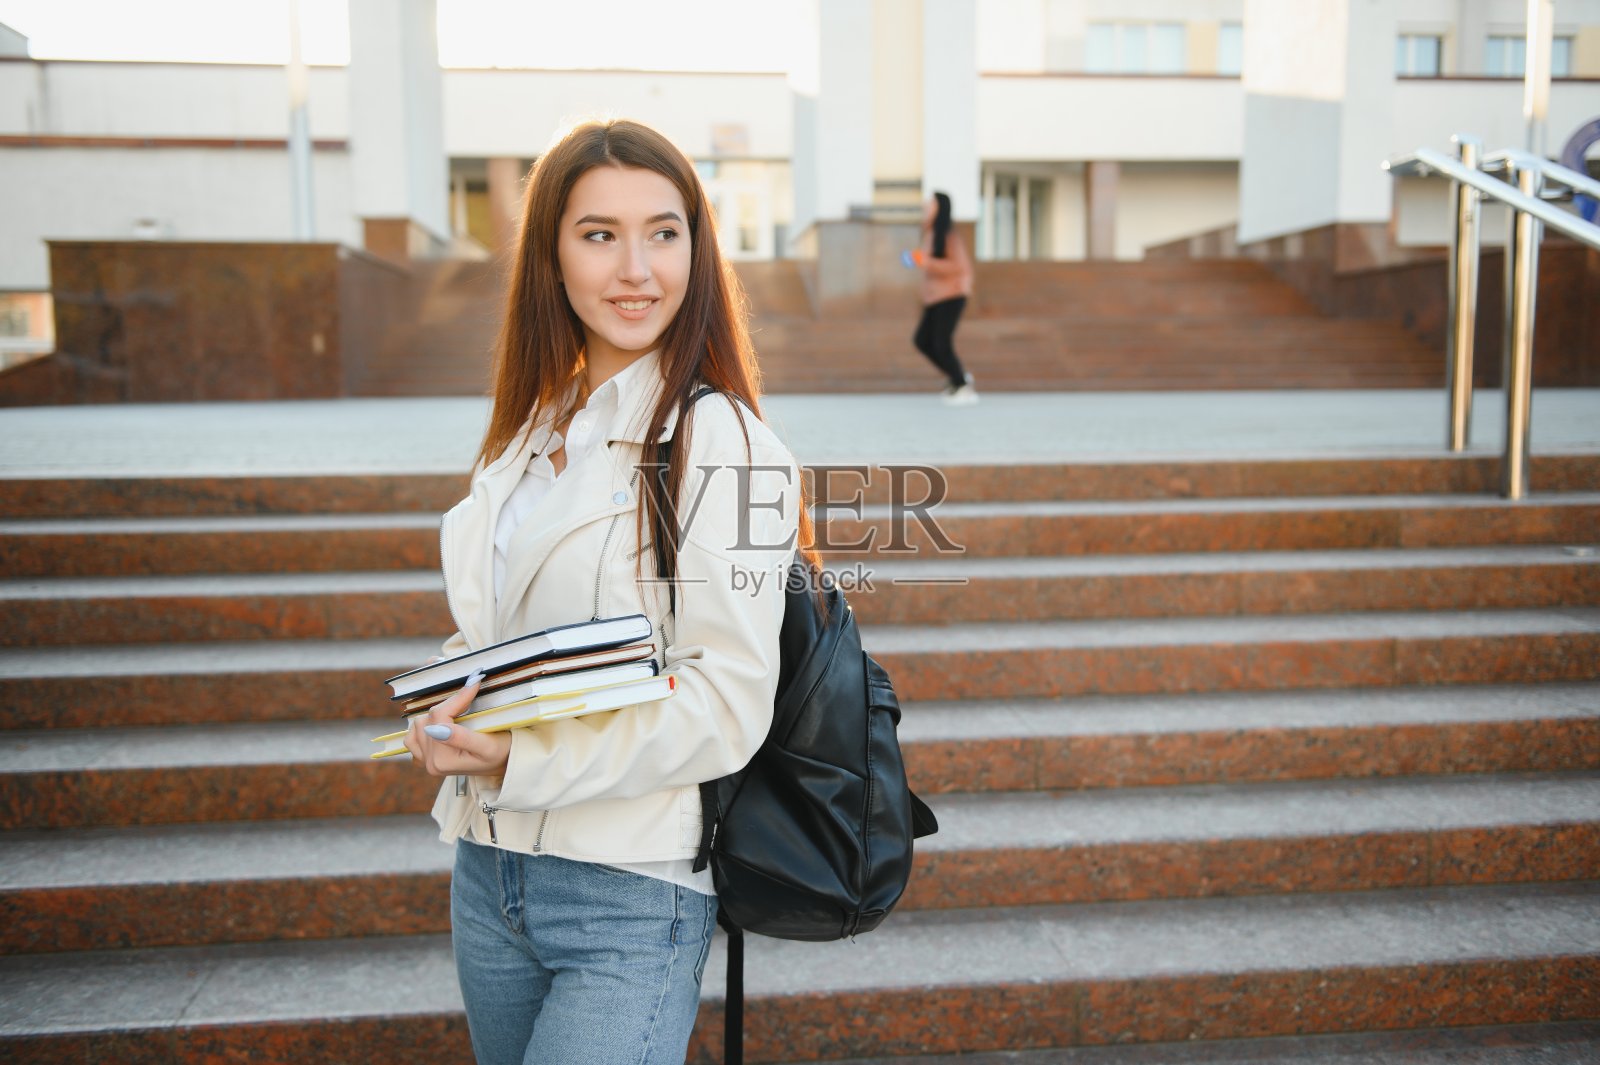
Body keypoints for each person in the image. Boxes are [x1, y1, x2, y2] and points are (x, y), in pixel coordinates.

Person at [401, 118, 813, 1065]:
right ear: (550, 257)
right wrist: (454, 701)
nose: (637, 267)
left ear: (698, 252)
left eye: (664, 233)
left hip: (629, 890)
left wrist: (518, 759)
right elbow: (519, 629)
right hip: (491, 872)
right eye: (599, 235)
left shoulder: (729, 444)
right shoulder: (534, 431)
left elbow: (727, 702)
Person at [911, 190, 978, 405]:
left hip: (952, 294)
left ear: (939, 208)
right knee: (922, 340)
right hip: (934, 297)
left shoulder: (949, 235)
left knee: (941, 343)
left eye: (929, 203)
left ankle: (962, 385)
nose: (925, 206)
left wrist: (925, 261)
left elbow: (959, 267)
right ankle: (958, 377)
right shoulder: (931, 233)